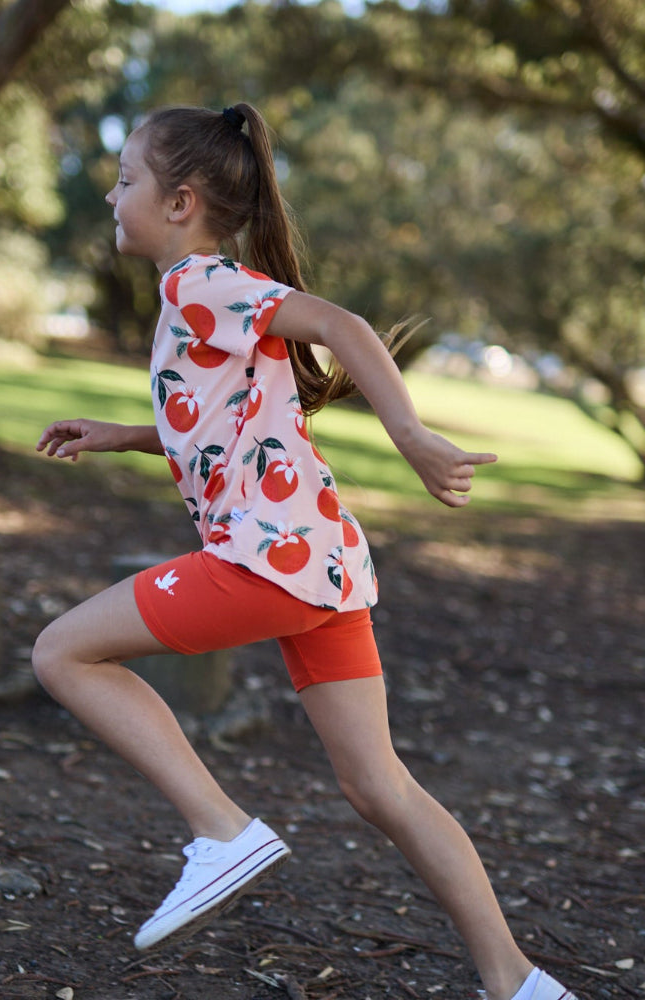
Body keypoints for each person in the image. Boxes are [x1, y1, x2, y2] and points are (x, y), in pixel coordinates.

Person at [33, 103, 579, 1000]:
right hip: (317, 561)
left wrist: (409, 433)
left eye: (126, 181)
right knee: (378, 785)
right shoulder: (207, 292)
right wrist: (124, 434)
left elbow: (344, 325)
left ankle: (220, 831)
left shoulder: (199, 283)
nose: (110, 194)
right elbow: (219, 424)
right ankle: (518, 982)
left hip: (265, 558)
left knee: (62, 650)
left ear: (181, 202)